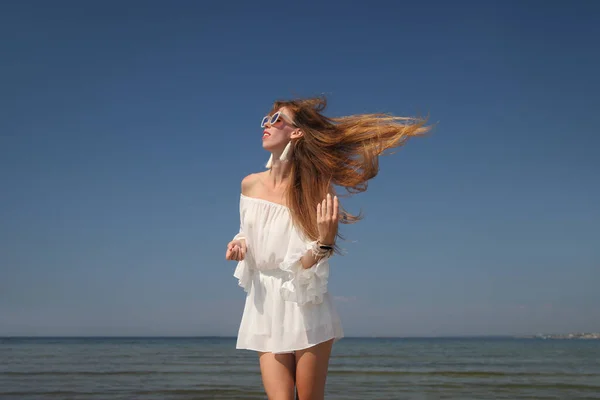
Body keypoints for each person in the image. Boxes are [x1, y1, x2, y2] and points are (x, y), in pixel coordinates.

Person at [225, 96, 429, 400]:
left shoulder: (315, 189)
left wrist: (324, 243)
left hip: (305, 301)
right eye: (266, 120)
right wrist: (239, 244)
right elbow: (247, 230)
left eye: (277, 119)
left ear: (296, 133)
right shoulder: (249, 184)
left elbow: (308, 261)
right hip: (264, 302)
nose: (267, 125)